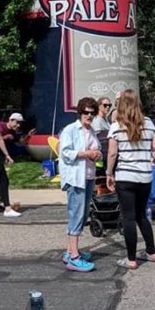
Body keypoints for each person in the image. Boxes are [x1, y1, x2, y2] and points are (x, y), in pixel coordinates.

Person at [105, 89, 155, 269]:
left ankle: (131, 258)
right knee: (141, 215)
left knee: (128, 217)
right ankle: (151, 252)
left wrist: (108, 173)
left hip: (125, 176)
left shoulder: (116, 126)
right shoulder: (149, 124)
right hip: (144, 176)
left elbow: (112, 153)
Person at [58, 97, 102, 271]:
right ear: (80, 113)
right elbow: (66, 152)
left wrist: (97, 154)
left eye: (92, 113)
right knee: (76, 214)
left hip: (89, 176)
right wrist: (87, 154)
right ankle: (74, 257)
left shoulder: (91, 130)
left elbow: (96, 149)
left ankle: (70, 251)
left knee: (84, 215)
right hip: (76, 177)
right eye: (86, 112)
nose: (89, 116)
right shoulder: (70, 130)